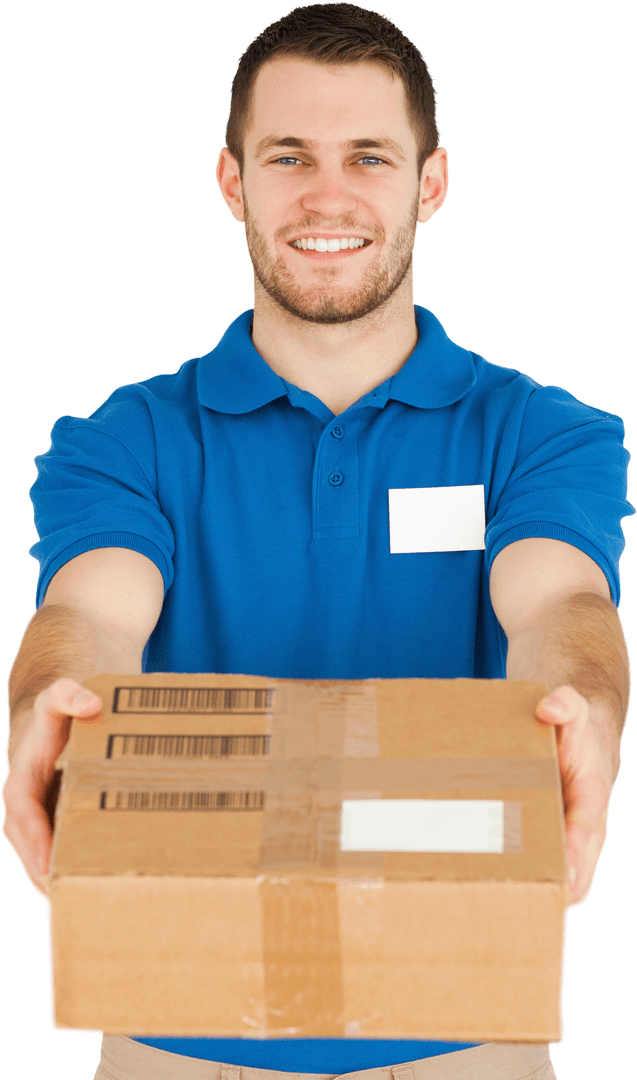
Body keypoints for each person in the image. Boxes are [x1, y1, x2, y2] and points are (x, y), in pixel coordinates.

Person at [2, 3, 632, 1079]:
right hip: (174, 1024)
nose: (326, 196)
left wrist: (589, 708)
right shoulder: (128, 439)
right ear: (232, 182)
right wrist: (46, 705)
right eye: (287, 155)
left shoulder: (538, 434)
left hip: (464, 1022)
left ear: (428, 185)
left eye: (368, 157)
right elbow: (91, 614)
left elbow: (558, 605)